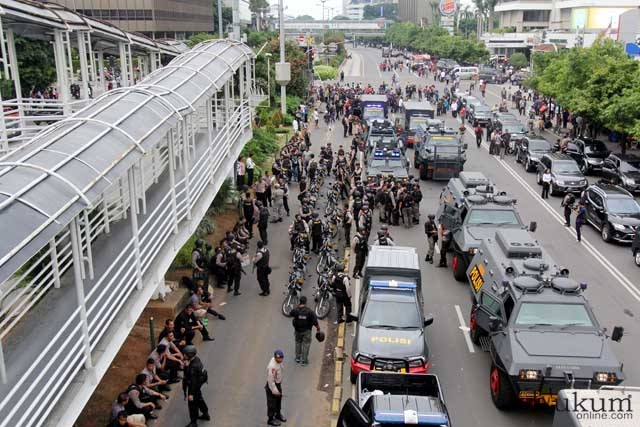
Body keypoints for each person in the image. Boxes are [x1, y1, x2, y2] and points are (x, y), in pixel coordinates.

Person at [182, 345, 210, 427]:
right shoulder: (196, 359)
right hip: (198, 384)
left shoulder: (193, 368)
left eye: (185, 354)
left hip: (194, 386)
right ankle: (205, 413)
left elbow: (193, 382)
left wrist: (191, 394)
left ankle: (193, 422)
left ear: (190, 355)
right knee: (199, 399)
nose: (184, 356)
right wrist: (187, 366)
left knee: (192, 405)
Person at [289, 296, 321, 365]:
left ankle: (297, 358)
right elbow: (315, 322)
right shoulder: (310, 312)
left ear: (299, 302)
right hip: (306, 331)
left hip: (297, 331)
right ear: (305, 302)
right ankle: (304, 361)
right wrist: (318, 329)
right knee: (306, 345)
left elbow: (290, 313)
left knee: (298, 343)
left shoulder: (296, 310)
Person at [265, 350, 286, 426]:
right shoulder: (272, 367)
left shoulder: (278, 362)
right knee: (271, 403)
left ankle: (278, 414)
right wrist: (275, 391)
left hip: (278, 384)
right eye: (279, 359)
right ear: (275, 358)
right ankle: (270, 419)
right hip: (272, 387)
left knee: (278, 400)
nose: (281, 360)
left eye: (281, 358)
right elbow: (270, 381)